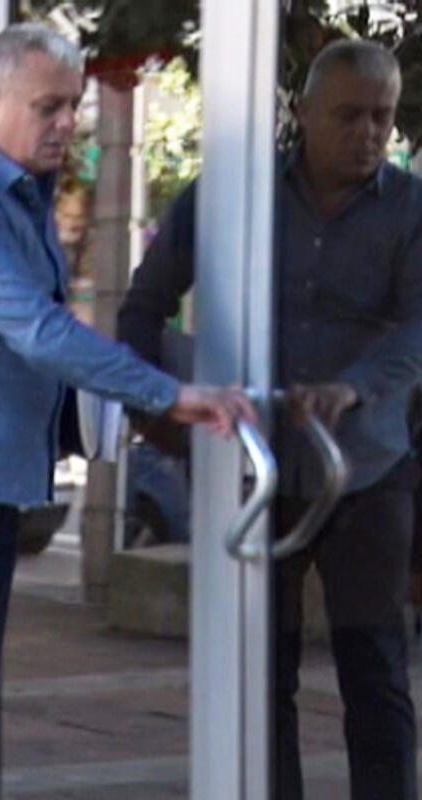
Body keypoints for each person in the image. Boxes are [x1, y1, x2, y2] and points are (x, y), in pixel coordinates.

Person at [0, 23, 255, 800]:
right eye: (48, 107)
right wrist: (169, 394)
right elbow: (35, 329)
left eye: (74, 105)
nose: (67, 123)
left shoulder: (20, 186)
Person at [118, 39, 422, 800]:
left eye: (381, 118)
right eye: (348, 116)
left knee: (376, 670)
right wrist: (151, 402)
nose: (367, 134)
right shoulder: (230, 196)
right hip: (253, 466)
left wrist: (354, 388)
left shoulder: (410, 210)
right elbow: (144, 305)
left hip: (365, 468)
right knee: (260, 675)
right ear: (303, 112)